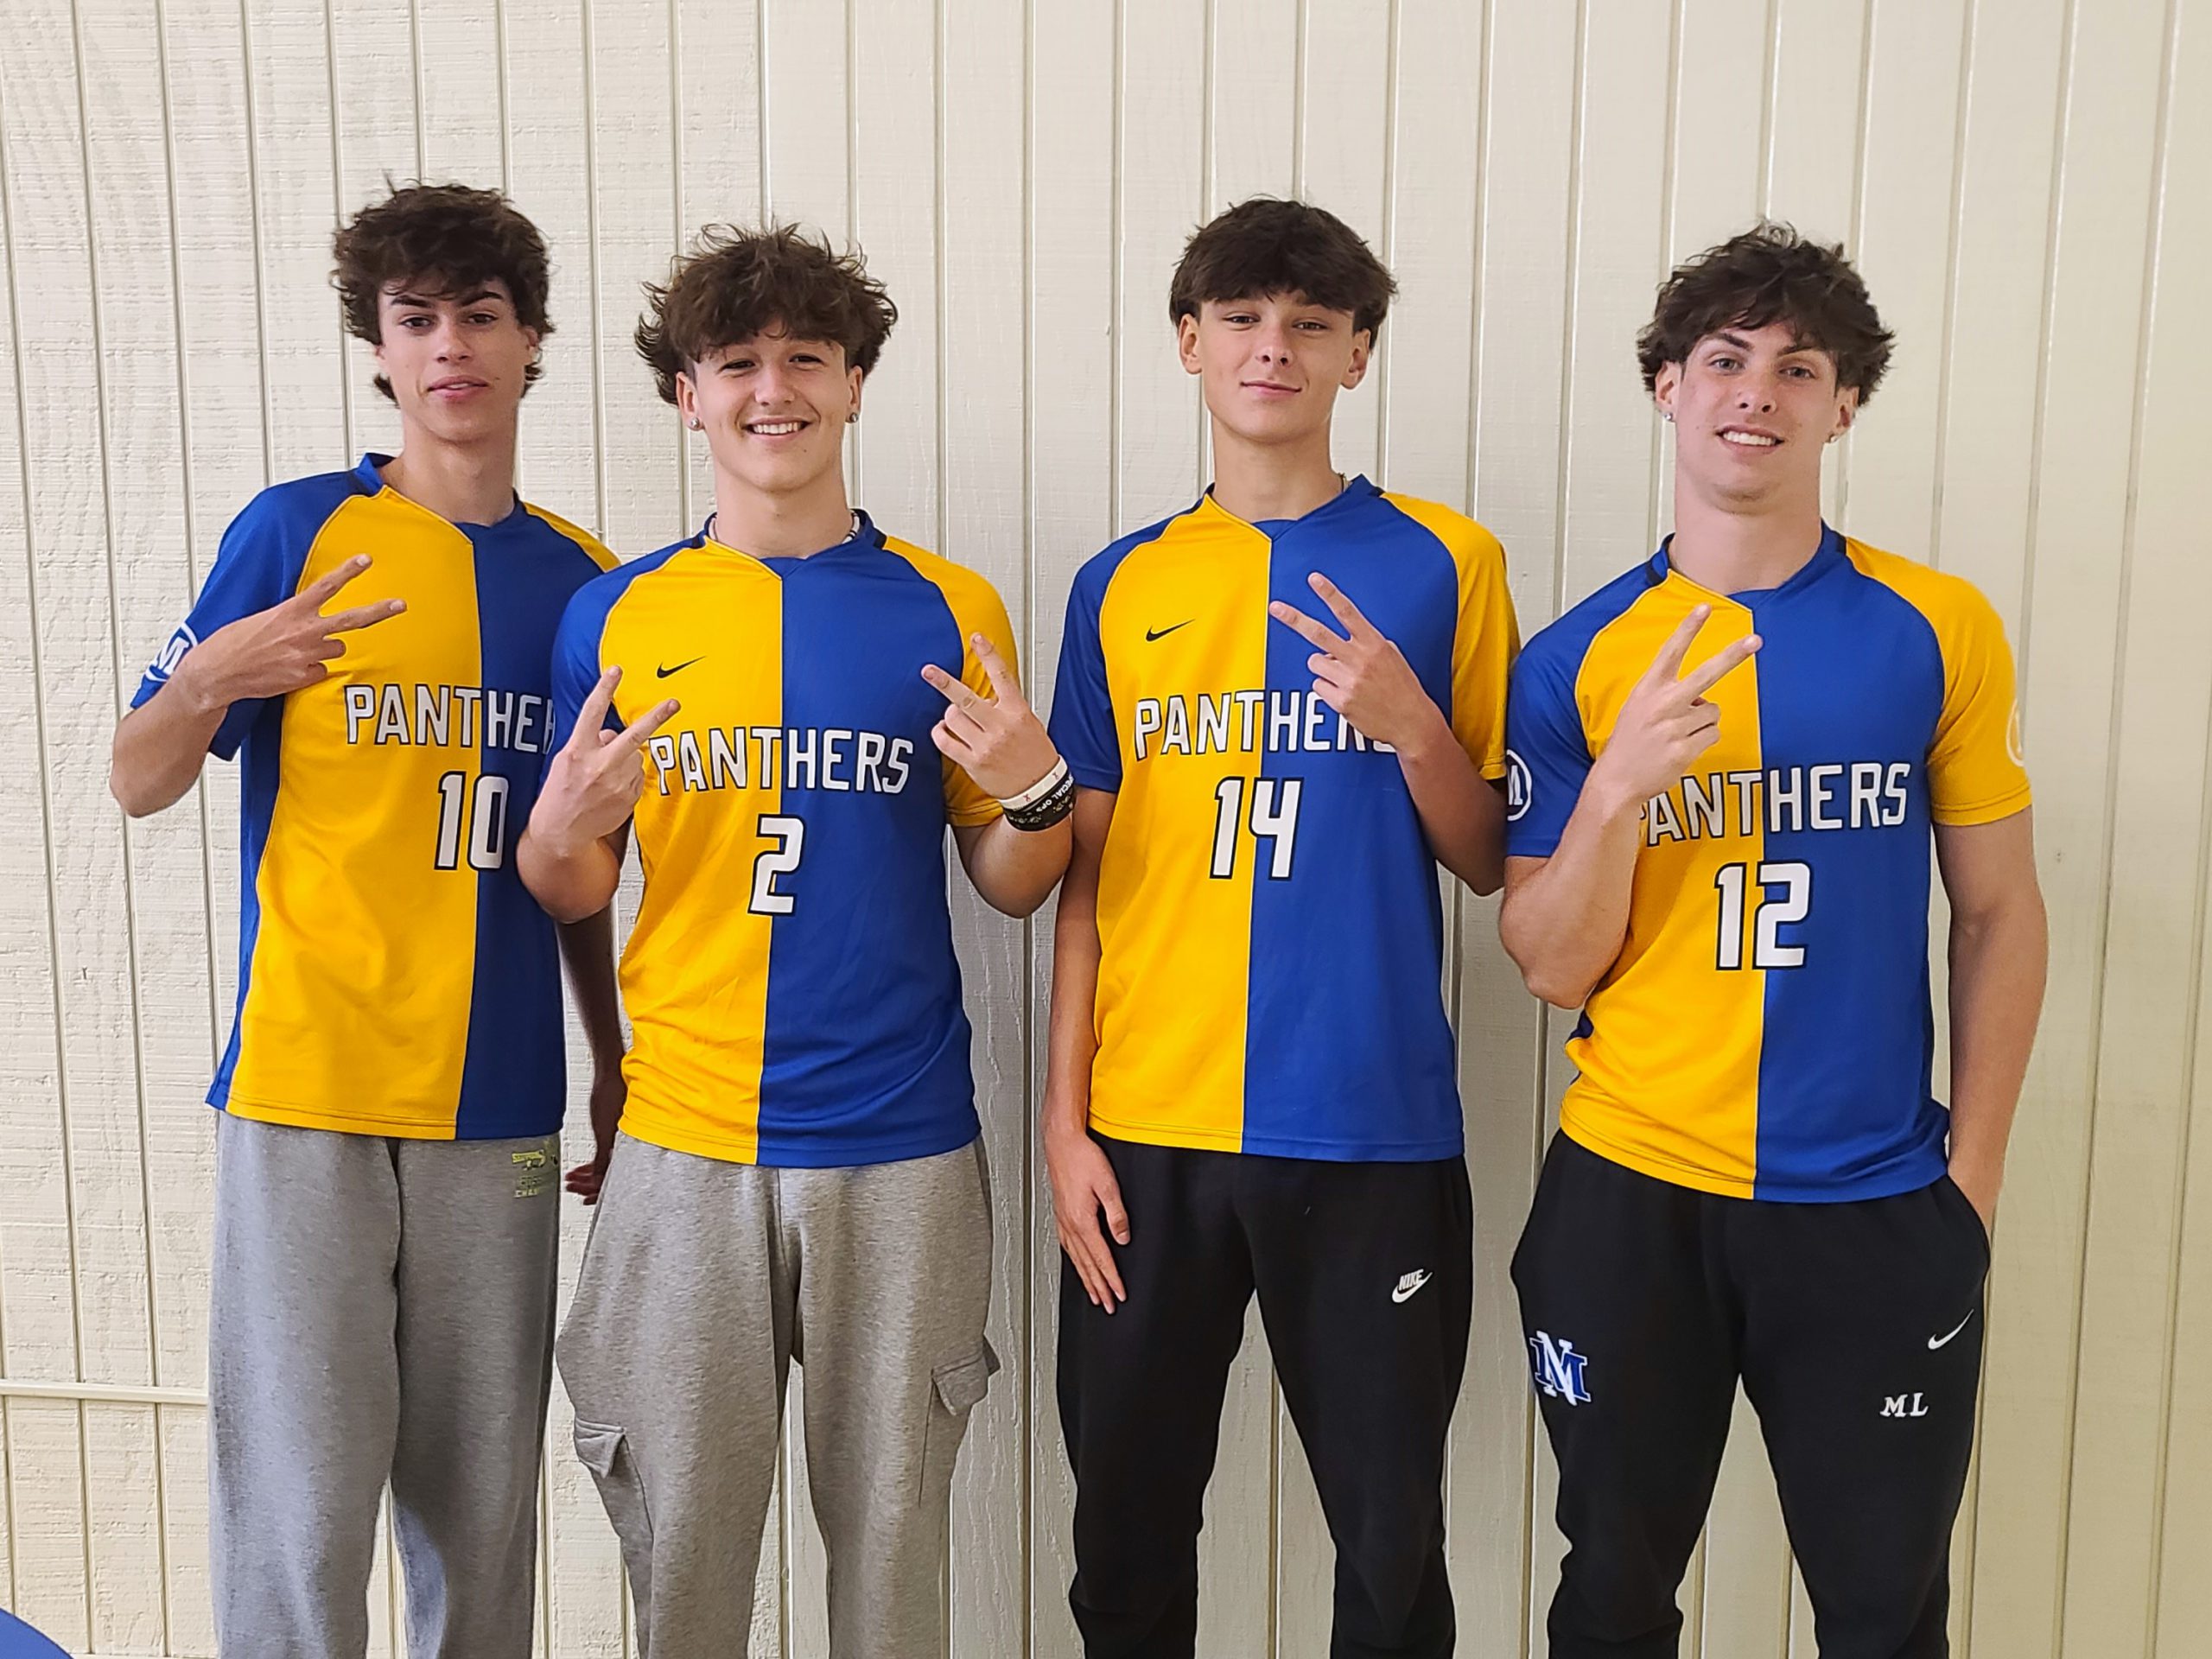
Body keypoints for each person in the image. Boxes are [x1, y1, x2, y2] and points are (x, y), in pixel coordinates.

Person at [519, 223, 1071, 1658]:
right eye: (738, 362)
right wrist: (564, 823)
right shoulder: (617, 614)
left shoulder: (950, 607)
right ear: (686, 395)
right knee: (684, 1552)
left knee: (892, 1559)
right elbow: (568, 884)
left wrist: (1037, 788)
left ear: (857, 384)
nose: (776, 389)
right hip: (686, 1141)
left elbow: (1016, 881)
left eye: (807, 359)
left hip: (900, 1141)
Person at [1499, 223, 2049, 1658]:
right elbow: (1551, 961)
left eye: (1797, 367)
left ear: (1843, 403)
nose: (1758, 391)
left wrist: (1972, 1174)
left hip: (1872, 1201)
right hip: (1634, 1194)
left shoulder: (1937, 628)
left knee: (1881, 1612)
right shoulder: (1577, 658)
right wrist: (1615, 790)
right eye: (1726, 359)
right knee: (1612, 1598)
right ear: (1667, 387)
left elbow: (1999, 910)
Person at [108, 182, 623, 1658]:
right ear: (380, 352)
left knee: (481, 1510)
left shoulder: (586, 585)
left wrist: (608, 1049)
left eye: (481, 315)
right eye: (418, 321)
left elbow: (580, 859)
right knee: (298, 1499)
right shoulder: (296, 536)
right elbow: (136, 780)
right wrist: (214, 675)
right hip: (310, 1086)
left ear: (531, 345)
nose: (451, 345)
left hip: (501, 1096)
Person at [1044, 196, 1521, 1657]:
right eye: (1244, 320)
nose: (1275, 348)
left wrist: (1409, 725)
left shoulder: (1447, 562)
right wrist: (1064, 1127)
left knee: (1390, 1553)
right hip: (1146, 1138)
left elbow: (1494, 855)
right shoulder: (1118, 583)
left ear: (1357, 356)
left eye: (1311, 324)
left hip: (1369, 1135)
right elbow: (1088, 880)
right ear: (1189, 344)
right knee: (1124, 1539)